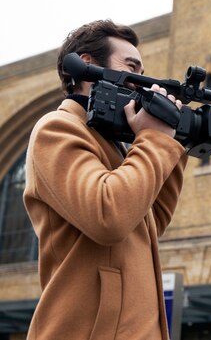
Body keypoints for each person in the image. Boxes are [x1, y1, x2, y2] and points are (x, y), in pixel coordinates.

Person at [23, 20, 188, 339]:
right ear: (87, 66)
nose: (141, 82)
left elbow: (153, 222)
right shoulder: (57, 129)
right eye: (131, 67)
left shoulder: (116, 145)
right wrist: (153, 139)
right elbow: (109, 216)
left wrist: (174, 142)